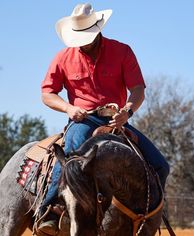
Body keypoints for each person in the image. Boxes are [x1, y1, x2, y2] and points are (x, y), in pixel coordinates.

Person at [39, 3, 170, 235]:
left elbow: (138, 89)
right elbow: (47, 94)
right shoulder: (63, 57)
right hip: (82, 121)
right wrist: (69, 108)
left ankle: (149, 215)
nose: (83, 42)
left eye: (86, 36)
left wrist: (127, 112)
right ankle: (52, 209)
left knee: (160, 165)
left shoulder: (122, 51)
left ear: (98, 29)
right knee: (71, 159)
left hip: (116, 123)